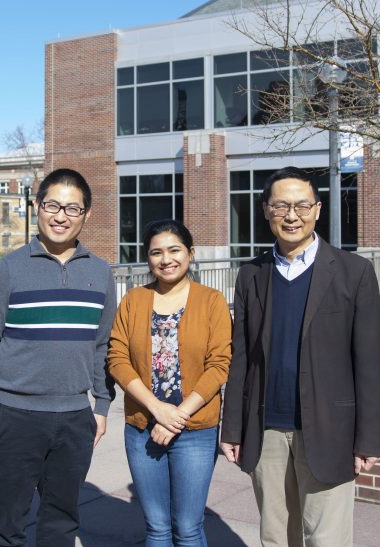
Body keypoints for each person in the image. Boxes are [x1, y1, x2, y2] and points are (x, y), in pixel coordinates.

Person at [219, 166, 380, 546]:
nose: (291, 215)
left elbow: (368, 363)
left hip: (329, 429)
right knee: (277, 537)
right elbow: (241, 358)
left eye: (301, 205)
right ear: (266, 211)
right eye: (281, 206)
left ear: (318, 209)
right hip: (267, 430)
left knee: (326, 539)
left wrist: (369, 438)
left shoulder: (354, 272)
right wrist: (232, 429)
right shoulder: (251, 275)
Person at [0, 168, 116, 547]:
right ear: (37, 206)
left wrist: (101, 406)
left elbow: (104, 345)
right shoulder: (8, 270)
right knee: (8, 525)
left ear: (86, 214)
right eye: (52, 204)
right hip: (14, 416)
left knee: (61, 523)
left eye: (73, 208)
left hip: (73, 418)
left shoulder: (100, 274)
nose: (61, 216)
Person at [107, 220, 231, 546]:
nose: (166, 259)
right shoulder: (134, 300)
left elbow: (219, 365)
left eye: (174, 250)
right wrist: (157, 408)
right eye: (156, 252)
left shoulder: (212, 301)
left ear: (190, 253)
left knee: (188, 527)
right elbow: (117, 358)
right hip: (143, 427)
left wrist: (177, 415)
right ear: (147, 259)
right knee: (157, 527)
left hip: (195, 430)